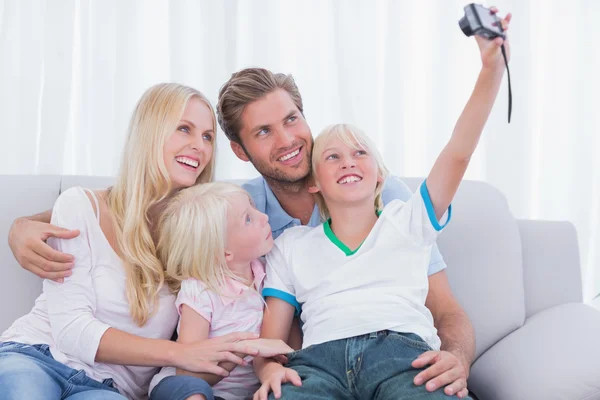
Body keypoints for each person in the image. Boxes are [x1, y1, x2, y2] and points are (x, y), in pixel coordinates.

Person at [252, 10, 512, 399]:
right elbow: (270, 340)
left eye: (360, 153)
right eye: (332, 157)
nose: (348, 162)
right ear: (315, 184)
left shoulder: (408, 221)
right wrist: (269, 368)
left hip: (404, 359)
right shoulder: (290, 248)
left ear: (379, 174)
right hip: (318, 366)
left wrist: (491, 70)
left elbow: (458, 152)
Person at [0, 83, 261, 400]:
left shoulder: (203, 236)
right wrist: (177, 353)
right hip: (37, 355)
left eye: (207, 137)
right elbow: (71, 331)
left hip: (110, 389)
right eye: (184, 129)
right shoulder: (80, 206)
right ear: (150, 133)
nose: (200, 146)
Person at [148, 182, 293, 400]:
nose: (263, 217)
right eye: (248, 219)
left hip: (237, 395)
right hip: (187, 386)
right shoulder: (200, 290)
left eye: (253, 209)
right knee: (193, 393)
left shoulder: (272, 274)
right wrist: (245, 348)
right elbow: (188, 371)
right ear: (225, 253)